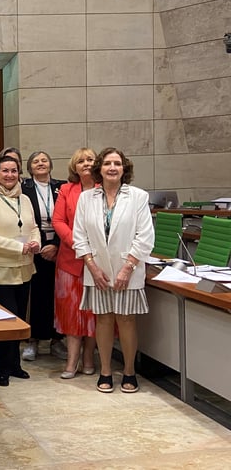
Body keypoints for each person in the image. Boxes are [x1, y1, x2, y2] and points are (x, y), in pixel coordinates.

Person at [73, 147, 154, 394]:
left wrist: (127, 268)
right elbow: (79, 236)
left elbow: (145, 236)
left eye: (117, 163)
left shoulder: (138, 197)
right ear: (100, 168)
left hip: (127, 271)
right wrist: (93, 267)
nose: (112, 168)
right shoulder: (87, 198)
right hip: (97, 272)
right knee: (104, 319)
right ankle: (105, 371)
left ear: (124, 168)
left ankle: (129, 371)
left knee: (127, 320)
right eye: (107, 163)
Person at [0, 155, 41, 387]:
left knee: (20, 319)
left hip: (24, 268)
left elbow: (33, 227)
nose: (10, 175)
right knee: (7, 319)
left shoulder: (25, 199)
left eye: (14, 171)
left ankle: (14, 364)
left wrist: (36, 243)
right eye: (5, 171)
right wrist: (18, 247)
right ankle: (0, 367)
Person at [52, 148, 98, 379]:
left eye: (90, 159)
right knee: (72, 314)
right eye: (81, 161)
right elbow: (58, 221)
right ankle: (71, 362)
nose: (86, 164)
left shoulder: (105, 189)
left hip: (98, 262)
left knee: (93, 313)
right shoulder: (66, 190)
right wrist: (77, 244)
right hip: (70, 261)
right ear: (75, 167)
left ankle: (89, 358)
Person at [20, 151, 68, 362]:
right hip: (35, 247)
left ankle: (58, 339)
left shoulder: (62, 187)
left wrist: (57, 245)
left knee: (59, 295)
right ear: (30, 168)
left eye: (44, 160)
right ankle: (34, 340)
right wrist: (38, 244)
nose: (40, 164)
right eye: (35, 162)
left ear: (50, 165)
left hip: (61, 246)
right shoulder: (24, 188)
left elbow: (70, 217)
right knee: (37, 296)